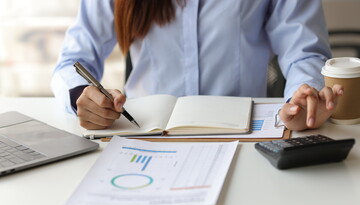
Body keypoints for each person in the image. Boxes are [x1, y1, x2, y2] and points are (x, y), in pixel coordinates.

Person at [52, 0, 342, 132]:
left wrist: (303, 97)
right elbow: (73, 61)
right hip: (144, 133)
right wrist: (81, 95)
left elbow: (304, 52)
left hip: (239, 137)